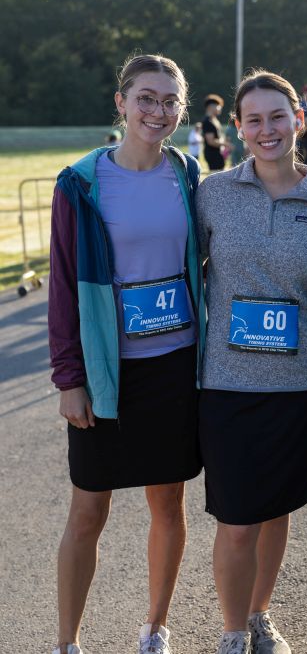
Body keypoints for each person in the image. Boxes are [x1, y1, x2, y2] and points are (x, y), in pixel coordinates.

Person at [48, 53, 206, 654]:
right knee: (89, 509)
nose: (157, 111)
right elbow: (64, 286)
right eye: (145, 98)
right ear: (121, 103)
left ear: (180, 110)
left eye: (169, 101)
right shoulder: (80, 182)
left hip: (174, 365)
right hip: (106, 369)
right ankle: (67, 642)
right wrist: (69, 377)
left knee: (168, 502)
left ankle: (155, 628)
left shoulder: (188, 174)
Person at [196, 70, 307, 654]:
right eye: (254, 119)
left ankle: (259, 616)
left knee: (277, 511)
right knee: (237, 522)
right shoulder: (211, 194)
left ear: (298, 119)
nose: (267, 129)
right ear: (238, 127)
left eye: (278, 116)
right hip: (228, 386)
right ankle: (233, 634)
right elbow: (185, 276)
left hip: (300, 389)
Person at [203, 93, 226, 171]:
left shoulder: (214, 120)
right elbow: (211, 141)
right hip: (213, 155)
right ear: (211, 107)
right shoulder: (207, 122)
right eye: (218, 106)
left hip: (217, 154)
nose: (220, 108)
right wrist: (226, 144)